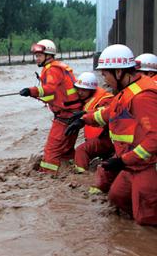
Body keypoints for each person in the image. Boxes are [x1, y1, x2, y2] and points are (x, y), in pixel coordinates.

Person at [68, 44, 157, 225]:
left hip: (146, 165)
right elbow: (110, 113)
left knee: (146, 218)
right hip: (132, 163)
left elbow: (154, 139)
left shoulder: (142, 96)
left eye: (105, 73)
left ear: (118, 72)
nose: (103, 78)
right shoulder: (127, 91)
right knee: (116, 196)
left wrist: (123, 161)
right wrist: (84, 119)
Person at [19, 39, 82, 173]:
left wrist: (32, 90)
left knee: (51, 151)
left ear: (49, 55)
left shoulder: (52, 70)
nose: (36, 59)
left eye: (39, 56)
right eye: (36, 56)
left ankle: (48, 176)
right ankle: (70, 172)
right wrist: (33, 94)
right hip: (73, 114)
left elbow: (49, 89)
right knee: (66, 150)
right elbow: (53, 96)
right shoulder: (59, 67)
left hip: (65, 116)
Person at [66, 72, 114, 174]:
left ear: (91, 90)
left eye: (83, 90)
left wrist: (83, 117)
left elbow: (105, 112)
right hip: (100, 138)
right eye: (78, 89)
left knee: (81, 150)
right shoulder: (89, 98)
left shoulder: (105, 99)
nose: (80, 92)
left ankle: (81, 176)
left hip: (106, 138)